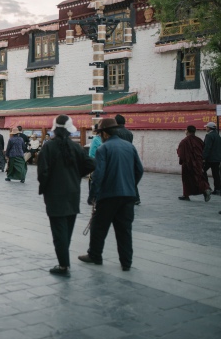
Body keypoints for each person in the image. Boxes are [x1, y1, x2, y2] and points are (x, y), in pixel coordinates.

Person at [80, 118, 143, 271]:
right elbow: (139, 170)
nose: (100, 136)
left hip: (108, 196)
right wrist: (130, 185)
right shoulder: (129, 147)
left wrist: (92, 195)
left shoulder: (103, 148)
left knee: (98, 227)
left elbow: (98, 175)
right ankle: (126, 262)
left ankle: (95, 255)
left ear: (105, 134)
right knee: (124, 230)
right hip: (128, 196)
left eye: (100, 133)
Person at [38, 115, 96, 277]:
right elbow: (91, 163)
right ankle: (64, 262)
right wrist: (77, 175)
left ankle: (63, 266)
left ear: (55, 129)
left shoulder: (48, 147)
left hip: (54, 195)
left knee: (59, 232)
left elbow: (42, 172)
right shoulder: (75, 147)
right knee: (67, 230)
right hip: (72, 194)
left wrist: (45, 186)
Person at [177, 125, 212, 201]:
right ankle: (205, 189)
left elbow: (181, 154)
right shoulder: (199, 140)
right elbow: (203, 150)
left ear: (187, 131)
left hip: (188, 163)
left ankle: (187, 194)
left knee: (187, 179)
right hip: (198, 163)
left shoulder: (184, 141)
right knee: (198, 177)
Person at [115, 114, 140, 205]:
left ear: (116, 122)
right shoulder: (129, 133)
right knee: (130, 178)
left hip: (119, 157)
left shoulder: (115, 132)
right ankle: (136, 197)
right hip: (129, 156)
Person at [203, 121, 221, 195]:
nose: (206, 128)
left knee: (202, 171)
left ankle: (207, 187)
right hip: (217, 159)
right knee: (216, 174)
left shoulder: (209, 136)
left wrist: (203, 157)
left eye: (206, 127)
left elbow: (207, 148)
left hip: (210, 158)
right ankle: (218, 189)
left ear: (209, 128)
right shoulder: (217, 136)